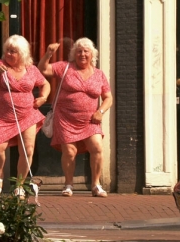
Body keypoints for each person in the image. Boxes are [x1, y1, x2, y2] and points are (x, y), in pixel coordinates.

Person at [38, 37, 113, 197]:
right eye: (79, 51)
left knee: (97, 148)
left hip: (91, 120)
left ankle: (96, 185)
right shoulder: (65, 67)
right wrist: (48, 54)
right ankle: (68, 184)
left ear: (92, 55)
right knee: (70, 152)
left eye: (86, 51)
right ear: (74, 54)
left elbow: (108, 97)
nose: (82, 54)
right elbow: (43, 70)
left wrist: (100, 112)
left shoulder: (99, 74)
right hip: (66, 118)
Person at [0, 35, 51, 199]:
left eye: (13, 51)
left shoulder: (31, 69)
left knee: (28, 149)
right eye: (7, 50)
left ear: (22, 53)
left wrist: (43, 97)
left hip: (27, 115)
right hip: (1, 117)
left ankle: (20, 186)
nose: (8, 54)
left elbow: (45, 84)